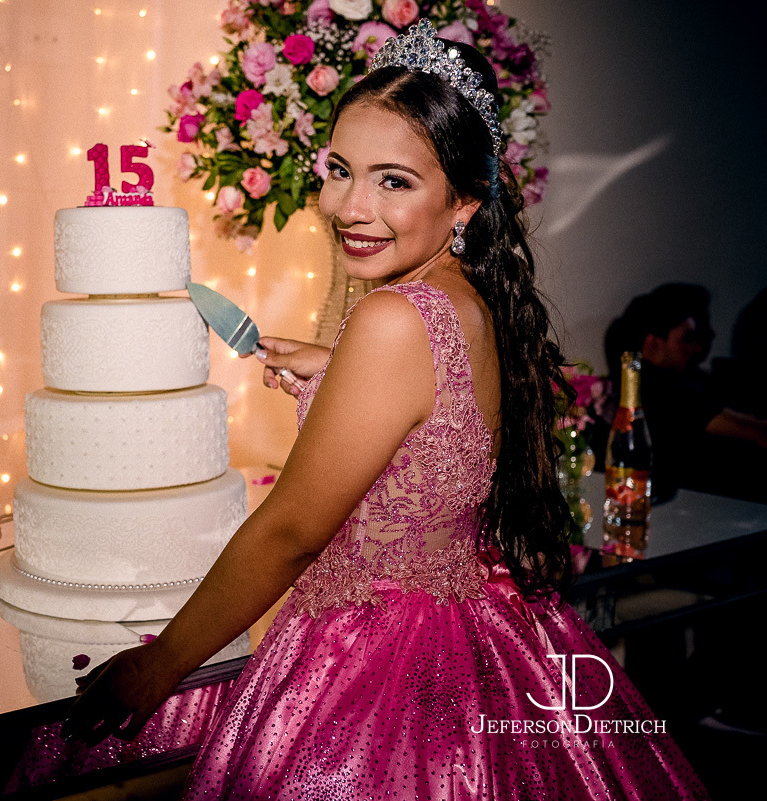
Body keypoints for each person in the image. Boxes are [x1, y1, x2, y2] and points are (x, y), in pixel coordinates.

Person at [63, 20, 710, 799]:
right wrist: (336, 367)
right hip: (483, 630)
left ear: (465, 202)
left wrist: (159, 663)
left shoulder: (392, 320)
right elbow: (442, 412)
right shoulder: (472, 301)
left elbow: (294, 533)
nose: (348, 205)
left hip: (379, 665)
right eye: (340, 170)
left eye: (393, 181)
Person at [605, 284, 766, 501]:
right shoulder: (658, 391)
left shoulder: (684, 382)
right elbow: (754, 432)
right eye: (686, 339)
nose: (697, 348)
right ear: (652, 343)